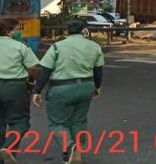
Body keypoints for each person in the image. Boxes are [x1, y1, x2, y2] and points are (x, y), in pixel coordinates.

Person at [32, 19, 105, 164]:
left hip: (61, 88)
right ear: (84, 30)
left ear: (67, 30)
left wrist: (37, 90)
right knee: (79, 120)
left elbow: (45, 71)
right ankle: (77, 150)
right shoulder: (94, 46)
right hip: (85, 86)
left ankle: (69, 146)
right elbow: (98, 70)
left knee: (57, 123)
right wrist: (97, 87)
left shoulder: (57, 47)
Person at [0, 18, 39, 164]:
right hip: (14, 87)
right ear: (8, 31)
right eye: (16, 30)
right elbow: (33, 67)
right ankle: (8, 148)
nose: (19, 32)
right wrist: (31, 82)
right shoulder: (20, 46)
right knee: (20, 122)